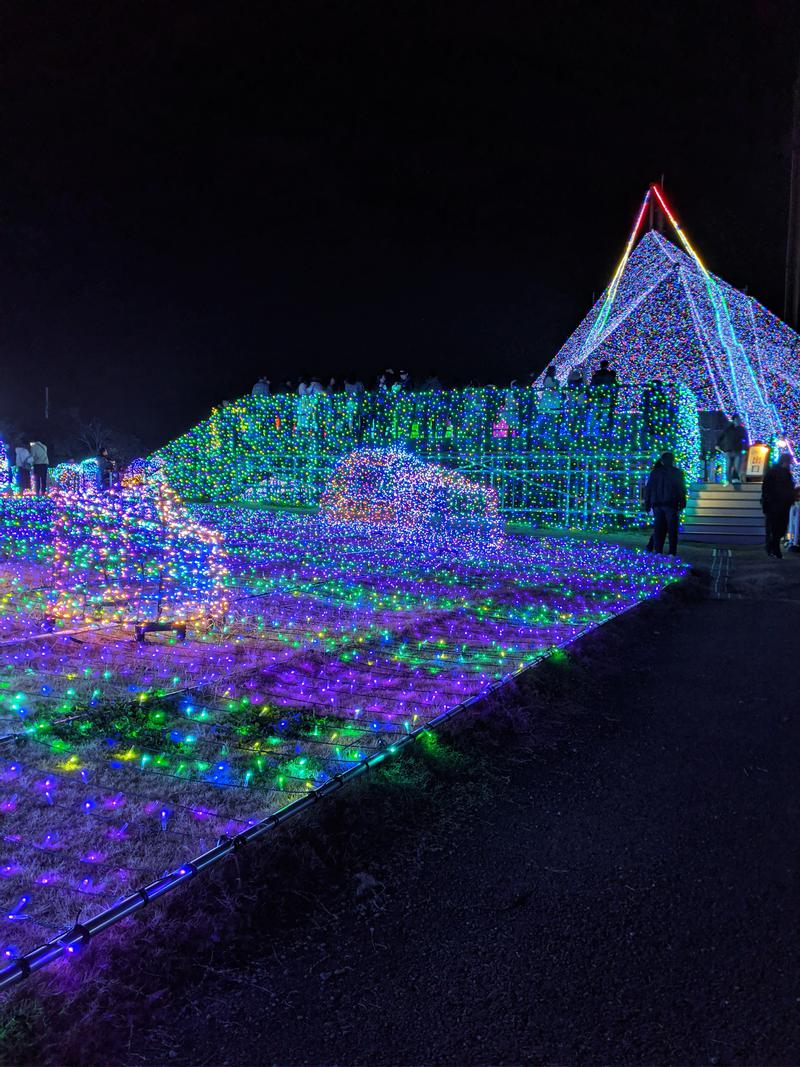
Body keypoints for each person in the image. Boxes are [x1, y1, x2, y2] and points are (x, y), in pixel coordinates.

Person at [644, 451, 687, 555]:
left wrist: (647, 503)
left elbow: (649, 489)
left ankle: (658, 551)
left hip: (657, 504)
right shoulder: (677, 473)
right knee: (672, 530)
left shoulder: (655, 473)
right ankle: (672, 552)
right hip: (671, 504)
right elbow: (681, 489)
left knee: (659, 529)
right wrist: (682, 502)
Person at [761, 453, 796, 558]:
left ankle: (771, 547)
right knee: (777, 527)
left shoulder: (775, 471)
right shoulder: (779, 473)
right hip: (776, 503)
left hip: (777, 503)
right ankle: (774, 549)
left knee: (776, 527)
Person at [716, 414, 749, 485]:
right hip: (728, 450)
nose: (738, 421)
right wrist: (717, 444)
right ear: (733, 420)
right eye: (737, 420)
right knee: (728, 466)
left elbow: (746, 439)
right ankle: (729, 480)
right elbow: (721, 437)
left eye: (739, 420)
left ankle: (735, 479)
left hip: (738, 450)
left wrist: (746, 448)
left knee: (737, 466)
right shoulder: (728, 429)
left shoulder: (742, 429)